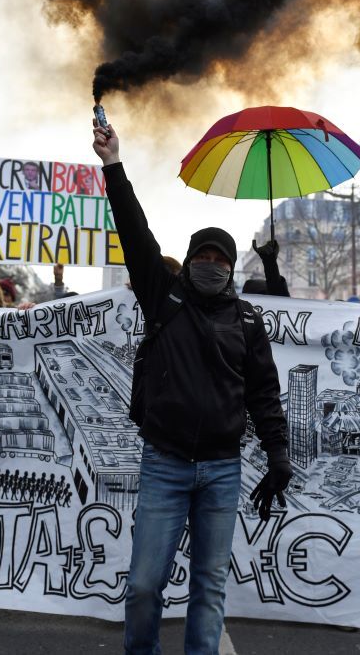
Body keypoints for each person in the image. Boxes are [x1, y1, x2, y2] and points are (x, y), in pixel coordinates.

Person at [92, 119, 290, 655]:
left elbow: (264, 394)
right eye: (201, 257)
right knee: (143, 585)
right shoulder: (163, 298)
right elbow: (134, 232)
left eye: (219, 260)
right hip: (166, 464)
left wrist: (278, 456)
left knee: (209, 587)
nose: (209, 265)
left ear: (230, 268)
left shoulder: (247, 320)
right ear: (189, 261)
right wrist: (114, 164)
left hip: (223, 470)